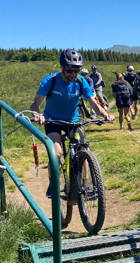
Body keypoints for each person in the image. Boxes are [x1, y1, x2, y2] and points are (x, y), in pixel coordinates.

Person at [30, 49, 114, 198]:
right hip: (52, 121)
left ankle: (85, 184)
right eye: (70, 70)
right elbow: (35, 104)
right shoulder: (51, 80)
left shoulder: (81, 81)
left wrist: (105, 114)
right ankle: (53, 183)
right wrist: (37, 115)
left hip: (72, 121)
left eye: (77, 70)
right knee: (56, 153)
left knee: (82, 148)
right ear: (62, 67)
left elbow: (94, 104)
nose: (73, 74)